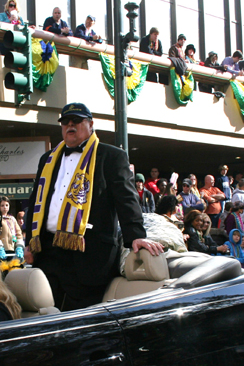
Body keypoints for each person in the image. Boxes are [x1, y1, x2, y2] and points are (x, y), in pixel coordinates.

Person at [25, 102, 162, 311]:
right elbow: (36, 201)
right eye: (65, 122)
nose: (70, 125)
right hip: (49, 253)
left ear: (91, 124)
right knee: (47, 314)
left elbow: (126, 199)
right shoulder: (48, 159)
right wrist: (29, 243)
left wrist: (135, 235)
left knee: (82, 320)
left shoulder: (111, 156)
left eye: (77, 121)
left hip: (89, 255)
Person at [0, 195, 24, 261]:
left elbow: (19, 233)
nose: (5, 207)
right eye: (2, 205)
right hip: (1, 252)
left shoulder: (12, 219)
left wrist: (19, 246)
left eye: (7, 205)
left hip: (13, 250)